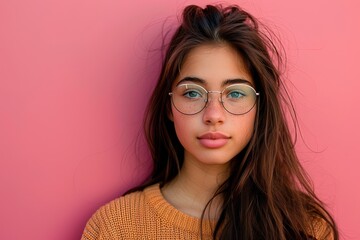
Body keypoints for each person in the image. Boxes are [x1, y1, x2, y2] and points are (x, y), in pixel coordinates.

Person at [81, 4, 338, 240]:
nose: (214, 114)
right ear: (169, 106)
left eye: (235, 93)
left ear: (260, 108)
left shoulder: (304, 227)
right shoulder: (115, 227)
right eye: (192, 93)